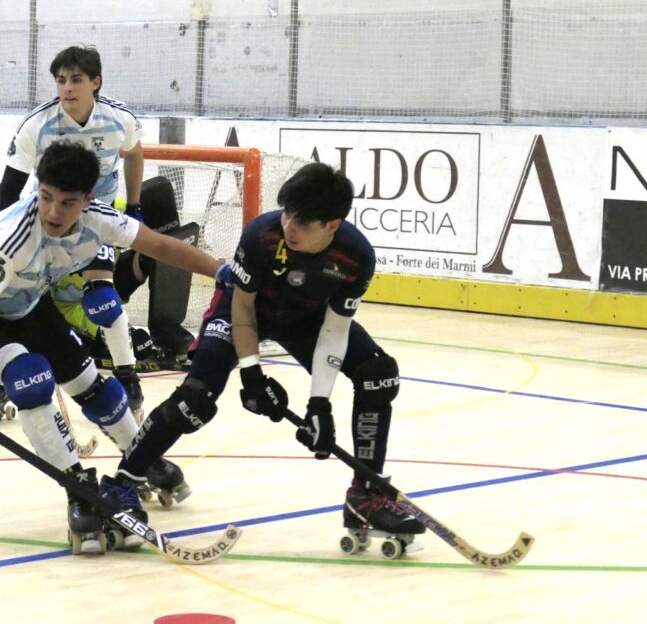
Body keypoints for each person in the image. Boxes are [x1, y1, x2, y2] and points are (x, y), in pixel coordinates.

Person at [0, 140, 229, 553]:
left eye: (67, 202)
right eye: (46, 198)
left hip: (29, 306)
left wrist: (223, 271)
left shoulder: (100, 220)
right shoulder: (11, 238)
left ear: (88, 201)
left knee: (95, 387)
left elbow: (160, 247)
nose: (54, 212)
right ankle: (77, 486)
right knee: (31, 381)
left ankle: (138, 457)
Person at [112, 162, 426, 538]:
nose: (289, 228)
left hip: (306, 320)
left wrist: (319, 405)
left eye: (303, 223)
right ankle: (122, 483)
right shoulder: (263, 234)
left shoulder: (355, 257)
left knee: (378, 375)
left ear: (332, 225)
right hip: (242, 309)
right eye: (288, 215)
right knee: (196, 399)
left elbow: (334, 329)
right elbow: (243, 309)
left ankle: (367, 496)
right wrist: (252, 373)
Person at [0, 44, 154, 420]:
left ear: (95, 83)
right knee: (20, 306)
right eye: (61, 80)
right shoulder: (38, 126)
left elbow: (135, 152)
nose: (67, 88)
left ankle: (128, 378)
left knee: (103, 297)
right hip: (49, 222)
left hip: (95, 219)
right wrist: (23, 238)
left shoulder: (119, 119)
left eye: (76, 80)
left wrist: (134, 207)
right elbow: (7, 191)